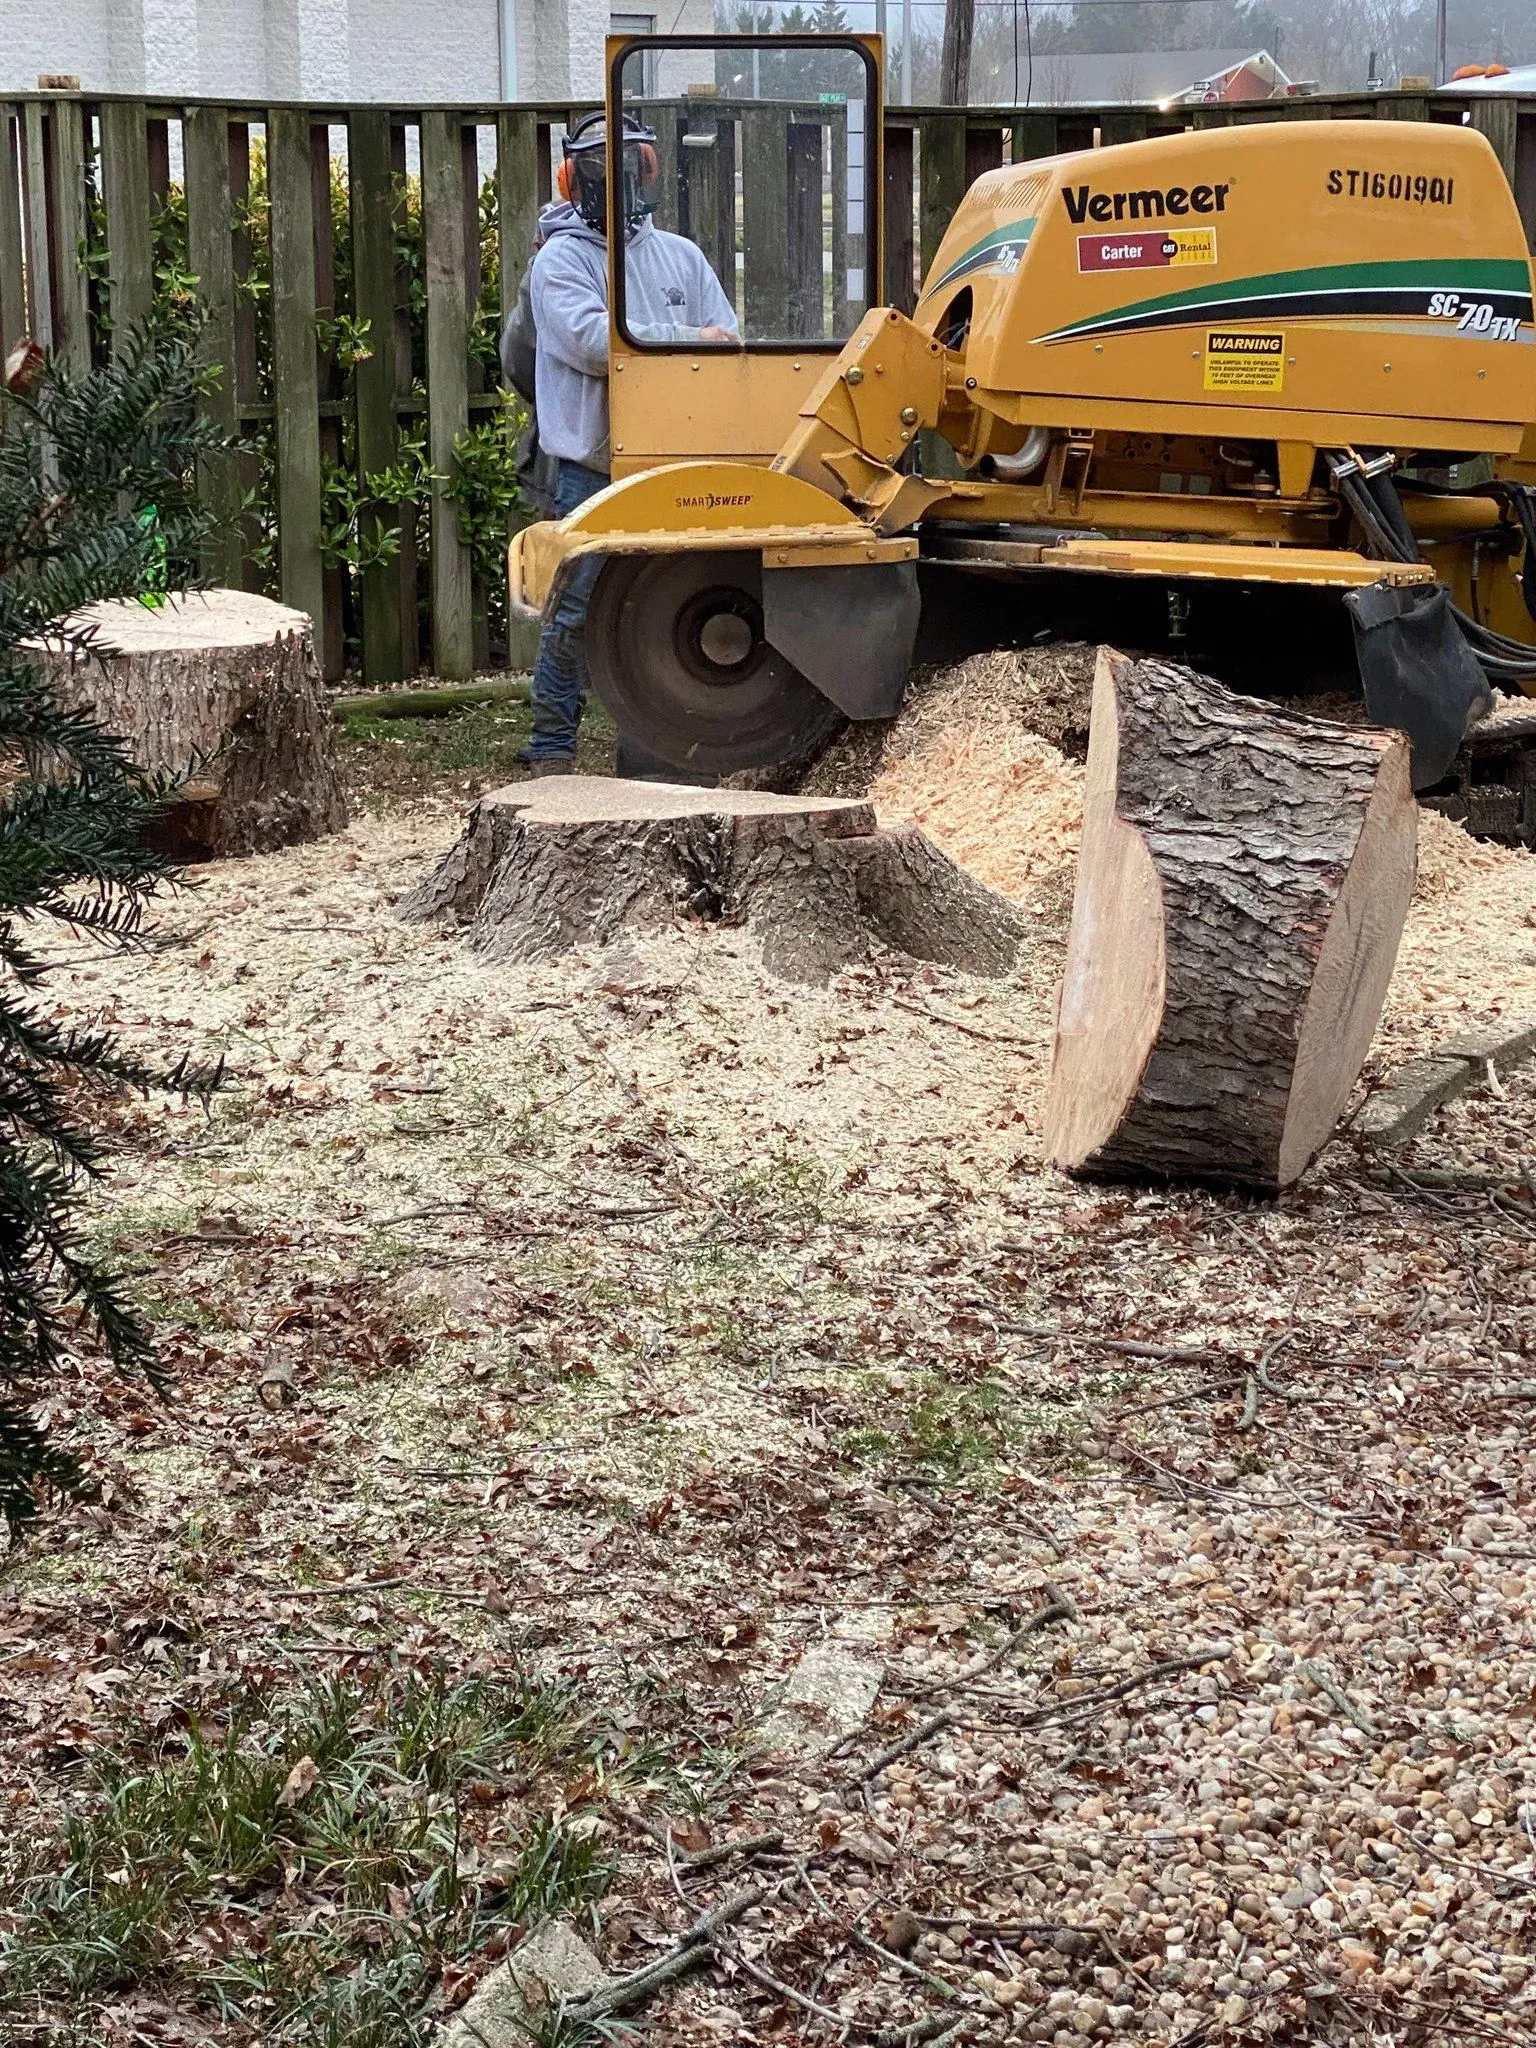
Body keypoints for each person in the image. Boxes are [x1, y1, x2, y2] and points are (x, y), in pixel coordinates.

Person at [513, 111, 739, 773]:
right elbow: (594, 343)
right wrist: (690, 342)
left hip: (672, 463)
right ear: (572, 176)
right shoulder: (560, 260)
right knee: (576, 609)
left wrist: (702, 344)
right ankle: (551, 747)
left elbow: (727, 339)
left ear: (648, 169)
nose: (614, 179)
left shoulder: (682, 257)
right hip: (591, 463)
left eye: (627, 165)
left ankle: (651, 754)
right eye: (596, 167)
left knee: (659, 612)